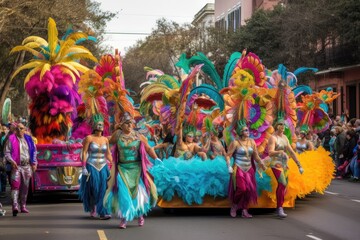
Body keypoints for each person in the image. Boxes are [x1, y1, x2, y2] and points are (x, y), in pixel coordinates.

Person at [105, 112, 159, 229]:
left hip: (137, 169)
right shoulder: (117, 135)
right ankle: (124, 218)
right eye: (127, 123)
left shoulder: (139, 136)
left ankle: (140, 215)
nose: (129, 125)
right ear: (122, 125)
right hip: (122, 168)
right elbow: (106, 143)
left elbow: (149, 149)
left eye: (131, 123)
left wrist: (157, 158)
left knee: (138, 193)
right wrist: (104, 154)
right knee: (123, 193)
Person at [225, 121, 266, 218]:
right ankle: (234, 205)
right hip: (239, 168)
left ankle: (244, 210)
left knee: (248, 190)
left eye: (247, 130)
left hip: (249, 169)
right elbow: (228, 155)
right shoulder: (235, 142)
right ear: (240, 132)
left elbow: (255, 156)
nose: (248, 131)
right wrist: (229, 166)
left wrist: (261, 163)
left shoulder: (252, 141)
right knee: (242, 188)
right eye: (245, 130)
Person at [78, 115, 112, 220]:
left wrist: (113, 163)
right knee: (93, 188)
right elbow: (84, 152)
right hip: (91, 166)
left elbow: (108, 153)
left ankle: (102, 211)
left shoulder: (106, 139)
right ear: (94, 125)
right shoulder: (89, 138)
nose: (101, 126)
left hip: (103, 166)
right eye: (99, 124)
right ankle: (92, 207)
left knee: (103, 189)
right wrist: (83, 167)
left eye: (102, 124)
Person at [267, 119, 304, 218]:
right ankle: (279, 208)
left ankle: (280, 206)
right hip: (276, 163)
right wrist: (280, 152)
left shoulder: (285, 138)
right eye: (281, 124)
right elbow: (270, 152)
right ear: (276, 126)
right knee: (282, 183)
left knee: (284, 186)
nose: (283, 127)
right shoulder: (273, 138)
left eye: (284, 125)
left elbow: (291, 152)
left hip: (284, 164)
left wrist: (299, 165)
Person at [4, 122, 37, 216]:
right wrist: (12, 161)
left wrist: (34, 163)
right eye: (17, 128)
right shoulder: (11, 139)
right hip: (16, 166)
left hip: (27, 166)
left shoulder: (29, 139)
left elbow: (34, 152)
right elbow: (7, 152)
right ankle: (15, 206)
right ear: (15, 130)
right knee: (15, 186)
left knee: (25, 187)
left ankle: (23, 206)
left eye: (21, 128)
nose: (19, 130)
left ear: (25, 129)